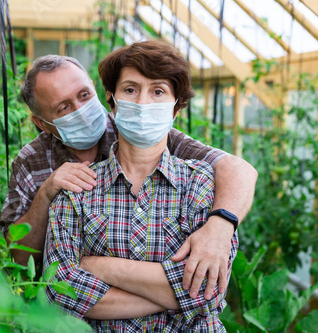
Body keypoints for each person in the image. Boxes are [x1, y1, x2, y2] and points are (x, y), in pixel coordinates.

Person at [1, 51, 256, 299]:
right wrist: (46, 193)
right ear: (42, 124)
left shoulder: (137, 129)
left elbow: (238, 169)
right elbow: (20, 259)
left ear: (97, 90)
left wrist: (220, 227)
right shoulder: (31, 161)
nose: (80, 109)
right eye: (64, 107)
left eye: (84, 95)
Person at [43, 39, 238, 331]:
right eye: (131, 90)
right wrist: (179, 297)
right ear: (112, 101)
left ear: (175, 108)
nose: (143, 102)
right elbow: (60, 290)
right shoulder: (78, 189)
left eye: (158, 91)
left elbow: (209, 293)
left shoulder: (202, 183)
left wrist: (100, 267)